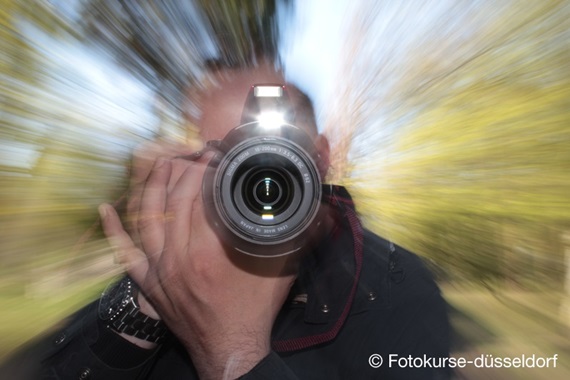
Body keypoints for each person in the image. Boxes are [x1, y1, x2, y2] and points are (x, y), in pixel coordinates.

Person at [1, 61, 450, 379]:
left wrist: (234, 354)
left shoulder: (396, 286)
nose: (260, 178)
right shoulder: (182, 266)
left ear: (323, 157)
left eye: (280, 154)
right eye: (223, 157)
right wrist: (144, 306)